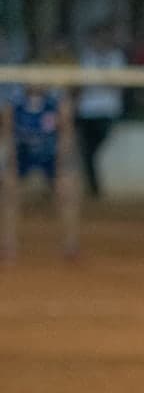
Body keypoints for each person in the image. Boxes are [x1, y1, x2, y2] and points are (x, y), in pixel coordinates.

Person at [1, 77, 80, 262]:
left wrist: (62, 166)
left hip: (49, 155)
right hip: (23, 155)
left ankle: (71, 245)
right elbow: (7, 137)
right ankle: (8, 244)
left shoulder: (57, 104)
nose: (36, 81)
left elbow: (66, 137)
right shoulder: (13, 105)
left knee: (67, 190)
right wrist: (10, 165)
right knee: (8, 191)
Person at [76, 21, 127, 198]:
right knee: (85, 151)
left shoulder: (116, 57)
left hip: (107, 112)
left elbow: (117, 85)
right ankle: (93, 190)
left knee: (89, 151)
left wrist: (99, 78)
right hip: (86, 111)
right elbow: (82, 85)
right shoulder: (87, 56)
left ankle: (94, 190)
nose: (99, 41)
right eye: (96, 37)